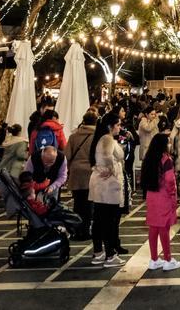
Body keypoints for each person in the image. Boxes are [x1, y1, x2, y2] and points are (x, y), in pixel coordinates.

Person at [88, 112, 128, 267]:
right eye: (118, 125)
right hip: (108, 187)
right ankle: (110, 255)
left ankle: (99, 252)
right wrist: (111, 169)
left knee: (99, 220)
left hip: (101, 185)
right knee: (108, 221)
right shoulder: (107, 139)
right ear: (110, 126)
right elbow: (106, 156)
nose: (120, 127)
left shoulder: (102, 138)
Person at [142, 132, 180, 271]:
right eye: (168, 142)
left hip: (151, 196)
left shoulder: (149, 158)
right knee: (164, 228)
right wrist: (173, 195)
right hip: (164, 196)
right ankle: (168, 259)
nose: (170, 144)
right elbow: (170, 180)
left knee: (153, 228)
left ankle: (154, 259)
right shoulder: (166, 160)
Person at [66, 112, 97, 240]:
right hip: (91, 172)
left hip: (76, 173)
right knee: (89, 203)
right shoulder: (97, 137)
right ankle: (86, 230)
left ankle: (77, 230)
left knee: (78, 203)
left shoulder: (74, 136)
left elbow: (67, 155)